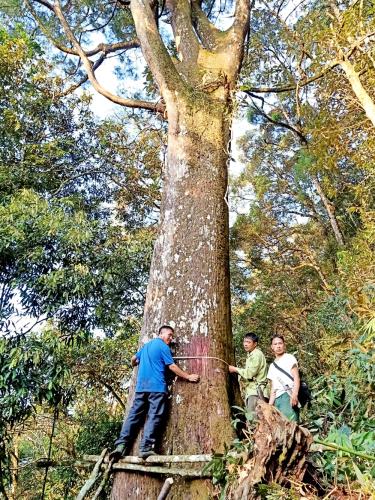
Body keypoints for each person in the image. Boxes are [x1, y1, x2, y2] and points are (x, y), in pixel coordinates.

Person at [109, 325, 200, 461]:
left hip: (141, 388)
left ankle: (121, 446)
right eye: (169, 335)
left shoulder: (146, 346)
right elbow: (172, 366)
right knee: (154, 416)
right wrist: (188, 377)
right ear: (161, 334)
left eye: (171, 336)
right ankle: (145, 448)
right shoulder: (163, 347)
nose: (171, 338)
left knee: (133, 416)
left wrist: (136, 363)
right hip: (156, 388)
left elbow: (133, 359)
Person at [228, 333, 269, 421]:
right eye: (244, 341)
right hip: (252, 391)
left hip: (256, 392)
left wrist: (235, 369)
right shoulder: (251, 354)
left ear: (255, 344)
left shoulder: (256, 355)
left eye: (248, 342)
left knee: (255, 420)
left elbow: (250, 373)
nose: (245, 344)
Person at [267, 334, 300, 423]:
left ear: (284, 345)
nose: (278, 346)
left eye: (280, 343)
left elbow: (296, 378)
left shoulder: (289, 358)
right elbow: (273, 388)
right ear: (272, 347)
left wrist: (295, 394)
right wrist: (269, 406)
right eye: (275, 344)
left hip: (288, 396)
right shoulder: (272, 366)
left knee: (291, 426)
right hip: (278, 400)